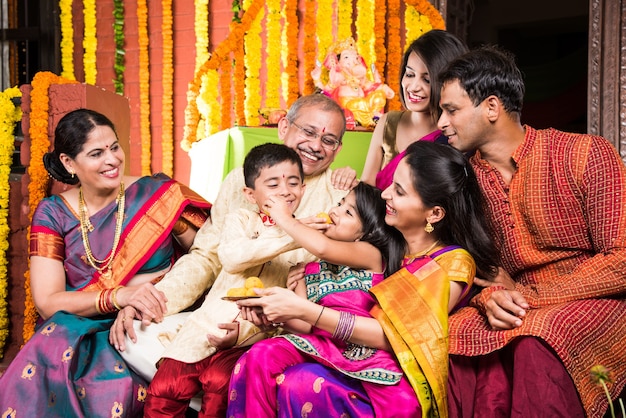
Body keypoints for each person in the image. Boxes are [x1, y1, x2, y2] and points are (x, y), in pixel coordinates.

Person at [108, 94, 357, 406]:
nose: (316, 146)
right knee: (136, 338)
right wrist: (154, 301)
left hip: (286, 330)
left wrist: (268, 323)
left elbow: (344, 283)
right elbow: (207, 256)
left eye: (329, 140)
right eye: (308, 132)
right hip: (221, 314)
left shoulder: (342, 196)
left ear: (337, 150)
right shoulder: (242, 180)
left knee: (222, 380)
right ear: (283, 127)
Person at [233, 141, 499, 417]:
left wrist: (306, 310)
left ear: (434, 214)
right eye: (391, 184)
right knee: (259, 358)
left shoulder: (450, 263)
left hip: (395, 375)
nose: (385, 194)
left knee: (301, 381)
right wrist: (279, 312)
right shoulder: (388, 244)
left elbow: (398, 337)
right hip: (337, 352)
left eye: (399, 191)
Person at [436, 45, 626, 417]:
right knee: (452, 337)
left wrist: (528, 296)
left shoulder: (585, 154)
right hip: (511, 303)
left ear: (491, 107)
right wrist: (487, 297)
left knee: (537, 339)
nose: (441, 123)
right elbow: (465, 264)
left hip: (599, 298)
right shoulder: (461, 184)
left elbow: (622, 259)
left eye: (451, 110)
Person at [0, 109, 210, 417]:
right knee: (82, 375)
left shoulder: (158, 195)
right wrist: (119, 295)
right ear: (69, 163)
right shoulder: (53, 213)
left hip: (153, 322)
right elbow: (47, 302)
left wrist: (174, 225)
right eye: (96, 153)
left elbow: (210, 256)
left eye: (114, 147)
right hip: (79, 328)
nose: (112, 160)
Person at [143, 143, 318, 417]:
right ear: (250, 194)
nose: (285, 191)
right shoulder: (241, 220)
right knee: (166, 388)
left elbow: (296, 306)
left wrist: (247, 334)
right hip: (205, 327)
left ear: (303, 190)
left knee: (220, 387)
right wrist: (292, 232)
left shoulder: (310, 244)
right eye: (273, 184)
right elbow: (234, 257)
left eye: (293, 183)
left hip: (252, 337)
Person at [228, 181, 413, 416]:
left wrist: (284, 217)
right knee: (260, 354)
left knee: (303, 381)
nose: (335, 211)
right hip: (320, 345)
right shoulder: (310, 268)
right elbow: (304, 324)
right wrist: (270, 315)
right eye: (339, 203)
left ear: (365, 233)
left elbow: (324, 247)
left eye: (348, 212)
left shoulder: (371, 254)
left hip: (357, 349)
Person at [360, 29, 467, 190]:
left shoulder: (455, 135)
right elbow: (365, 189)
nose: (414, 87)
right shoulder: (389, 122)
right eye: (410, 75)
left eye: (427, 80)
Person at [312, 37, 395, 128]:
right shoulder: (338, 76)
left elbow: (370, 86)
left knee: (379, 97)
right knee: (356, 104)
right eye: (346, 57)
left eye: (355, 57)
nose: (353, 60)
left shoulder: (360, 77)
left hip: (363, 103)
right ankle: (367, 120)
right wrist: (317, 80)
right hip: (349, 104)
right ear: (338, 62)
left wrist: (383, 88)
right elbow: (326, 92)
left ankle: (375, 117)